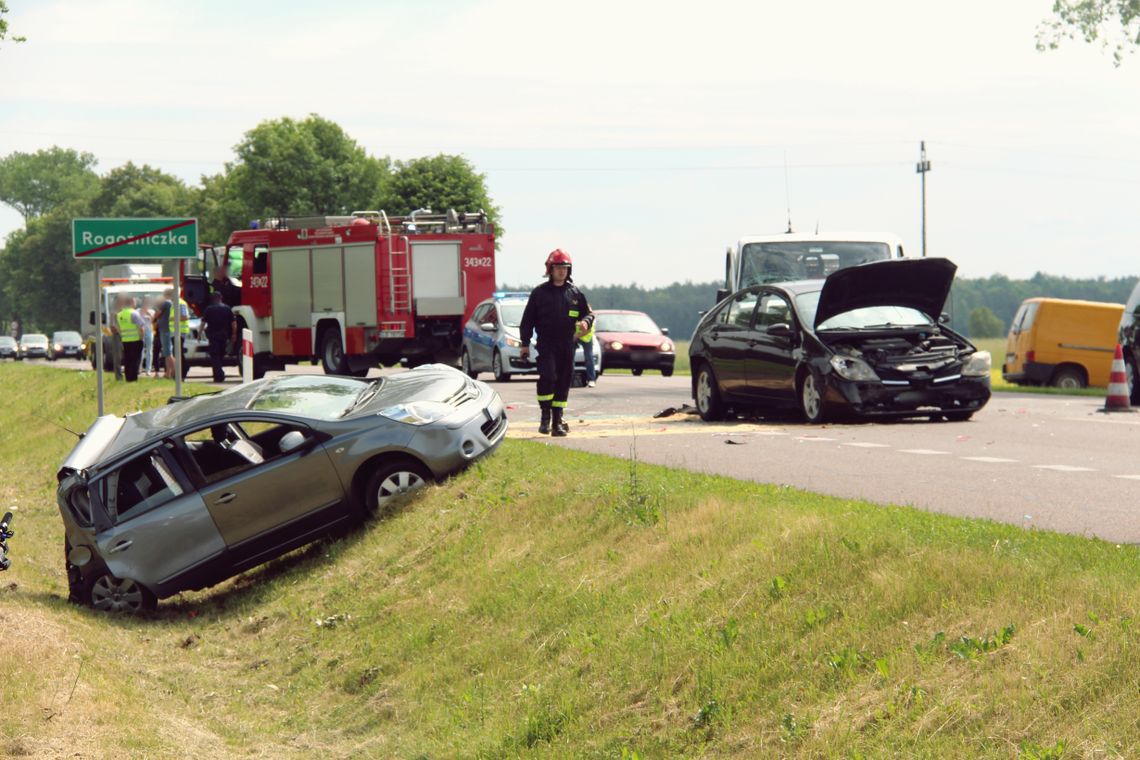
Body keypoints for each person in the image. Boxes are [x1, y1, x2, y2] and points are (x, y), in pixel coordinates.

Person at [519, 249, 595, 436]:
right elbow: (527, 320)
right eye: (558, 267)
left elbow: (589, 313)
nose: (562, 271)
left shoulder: (575, 293)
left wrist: (586, 321)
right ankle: (545, 418)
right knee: (548, 377)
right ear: (550, 269)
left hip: (567, 345)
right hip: (546, 343)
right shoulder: (540, 293)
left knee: (563, 380)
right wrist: (524, 343)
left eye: (565, 268)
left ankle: (557, 422)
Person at [201, 292, 236, 383]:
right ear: (221, 298)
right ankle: (218, 374)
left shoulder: (209, 309)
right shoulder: (227, 309)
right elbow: (233, 323)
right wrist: (234, 334)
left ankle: (218, 375)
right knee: (220, 355)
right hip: (224, 336)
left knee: (215, 356)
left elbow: (203, 323)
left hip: (213, 336)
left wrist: (199, 333)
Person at [117, 297, 145, 382]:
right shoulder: (134, 313)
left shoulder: (120, 314)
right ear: (132, 303)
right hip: (136, 340)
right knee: (135, 360)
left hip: (125, 340)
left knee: (127, 360)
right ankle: (133, 378)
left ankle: (128, 378)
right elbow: (141, 327)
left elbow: (118, 328)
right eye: (135, 302)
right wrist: (141, 337)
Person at [108, 296, 125, 381]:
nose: (121, 302)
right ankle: (118, 376)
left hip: (128, 336)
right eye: (120, 301)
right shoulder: (113, 312)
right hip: (117, 336)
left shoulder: (125, 311)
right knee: (118, 356)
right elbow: (112, 326)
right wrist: (120, 332)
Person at [579, 321, 597, 388]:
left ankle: (591, 379)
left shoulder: (588, 313)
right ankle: (568, 379)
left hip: (586, 336)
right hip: (574, 334)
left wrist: (576, 336)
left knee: (589, 356)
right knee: (570, 357)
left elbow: (589, 329)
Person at [139, 296, 154, 376]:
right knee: (140, 350)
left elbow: (153, 321)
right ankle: (140, 368)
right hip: (141, 331)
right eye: (145, 301)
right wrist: (142, 312)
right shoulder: (138, 311)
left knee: (149, 351)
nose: (146, 303)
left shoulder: (152, 311)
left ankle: (148, 369)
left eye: (147, 301)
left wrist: (148, 314)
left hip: (149, 331)